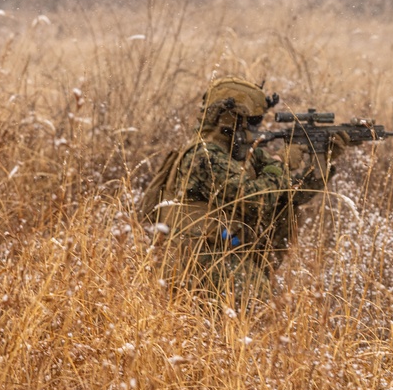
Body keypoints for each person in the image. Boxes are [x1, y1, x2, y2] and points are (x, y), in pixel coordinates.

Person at [143, 77, 346, 308]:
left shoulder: (239, 154)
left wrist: (322, 164)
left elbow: (290, 195)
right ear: (229, 119)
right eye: (251, 123)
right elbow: (256, 200)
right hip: (195, 258)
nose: (254, 130)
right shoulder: (205, 156)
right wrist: (281, 164)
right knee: (261, 307)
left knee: (261, 306)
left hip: (222, 251)